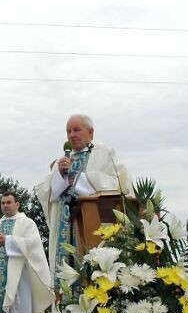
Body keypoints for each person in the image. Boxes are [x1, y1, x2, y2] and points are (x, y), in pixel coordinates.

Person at [35, 114, 130, 286]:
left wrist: (81, 179)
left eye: (77, 130)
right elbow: (45, 192)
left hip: (93, 227)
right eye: (68, 131)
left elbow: (121, 184)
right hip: (65, 228)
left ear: (91, 132)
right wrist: (60, 175)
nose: (71, 135)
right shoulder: (61, 161)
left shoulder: (105, 153)